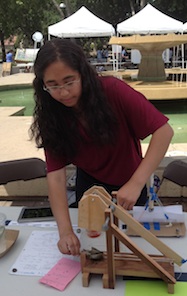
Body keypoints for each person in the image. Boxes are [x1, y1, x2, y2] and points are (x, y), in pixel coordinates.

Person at [30, 38, 173, 256]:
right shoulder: (51, 114)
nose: (64, 93)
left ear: (83, 74)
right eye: (54, 85)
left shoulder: (113, 91)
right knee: (92, 245)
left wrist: (136, 183)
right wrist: (65, 231)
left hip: (131, 180)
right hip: (88, 185)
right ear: (43, 84)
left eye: (70, 81)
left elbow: (164, 131)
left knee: (134, 246)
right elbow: (56, 177)